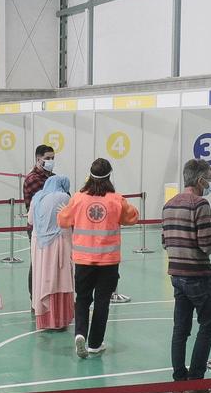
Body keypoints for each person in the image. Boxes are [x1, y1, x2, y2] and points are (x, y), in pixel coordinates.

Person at [164, 159, 211, 393]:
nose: (210, 184)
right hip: (198, 275)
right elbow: (205, 245)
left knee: (180, 330)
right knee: (208, 326)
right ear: (200, 180)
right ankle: (196, 382)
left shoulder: (169, 205)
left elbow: (166, 241)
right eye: (209, 179)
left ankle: (179, 383)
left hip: (177, 274)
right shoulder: (201, 204)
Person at [58, 158, 139, 359]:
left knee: (83, 299)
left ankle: (80, 333)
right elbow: (132, 217)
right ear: (109, 176)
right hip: (108, 261)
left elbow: (63, 220)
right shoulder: (115, 199)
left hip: (83, 261)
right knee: (102, 301)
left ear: (90, 175)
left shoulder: (78, 198)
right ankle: (95, 343)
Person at [30, 173, 75, 332]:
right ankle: (60, 319)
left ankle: (45, 318)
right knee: (59, 280)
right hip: (60, 243)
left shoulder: (37, 197)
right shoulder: (65, 197)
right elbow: (72, 219)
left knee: (42, 278)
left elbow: (30, 221)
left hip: (39, 245)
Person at [21, 144, 55, 296]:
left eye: (53, 158)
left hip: (52, 225)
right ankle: (34, 296)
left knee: (49, 262)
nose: (50, 161)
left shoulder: (52, 177)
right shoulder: (33, 179)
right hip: (37, 226)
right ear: (38, 159)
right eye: (47, 158)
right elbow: (49, 199)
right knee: (36, 263)